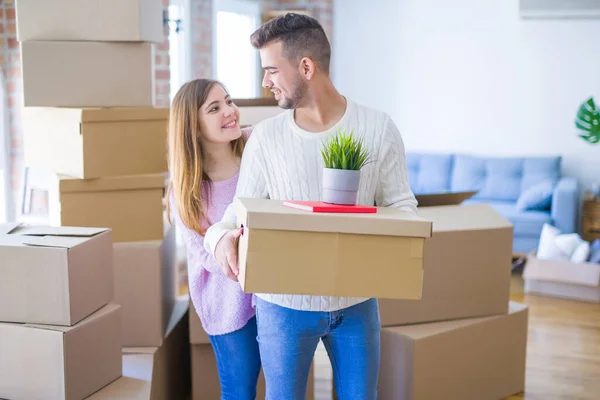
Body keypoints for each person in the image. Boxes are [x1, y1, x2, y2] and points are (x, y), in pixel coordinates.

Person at [203, 13, 418, 400]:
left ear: (305, 67)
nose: (265, 82)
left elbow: (403, 208)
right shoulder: (266, 138)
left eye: (271, 71)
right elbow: (236, 214)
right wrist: (219, 239)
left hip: (357, 304)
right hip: (282, 308)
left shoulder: (377, 128)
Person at [166, 78, 261, 400]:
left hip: (273, 292)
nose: (230, 112)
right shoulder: (187, 189)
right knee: (239, 390)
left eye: (229, 101)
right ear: (192, 127)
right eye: (215, 108)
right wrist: (234, 245)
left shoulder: (256, 145)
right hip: (227, 301)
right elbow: (203, 252)